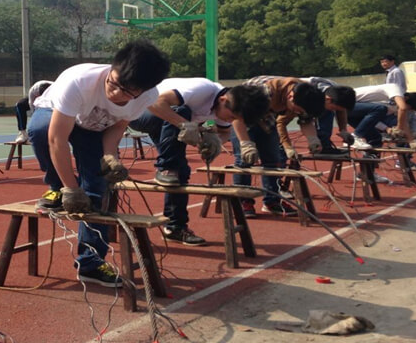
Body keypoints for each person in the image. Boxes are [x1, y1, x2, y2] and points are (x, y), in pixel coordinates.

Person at [28, 39, 170, 287]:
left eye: (127, 92)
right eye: (113, 84)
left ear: (142, 91)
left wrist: (109, 157)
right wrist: (69, 187)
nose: (116, 93)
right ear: (111, 68)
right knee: (39, 130)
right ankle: (54, 188)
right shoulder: (80, 81)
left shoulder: (147, 97)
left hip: (93, 128)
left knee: (96, 189)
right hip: (55, 115)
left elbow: (117, 126)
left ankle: (90, 263)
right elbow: (56, 139)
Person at [129, 79, 269, 245]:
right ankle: (166, 167)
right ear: (223, 100)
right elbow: (156, 104)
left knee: (181, 171)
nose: (230, 120)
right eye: (231, 117)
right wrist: (186, 125)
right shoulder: (201, 89)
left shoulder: (226, 106)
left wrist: (213, 143)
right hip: (139, 111)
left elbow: (223, 133)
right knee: (182, 111)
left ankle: (175, 227)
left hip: (168, 121)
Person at [233, 76, 325, 218]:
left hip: (267, 117)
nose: (298, 114)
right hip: (243, 116)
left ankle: (272, 201)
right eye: (298, 111)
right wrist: (246, 143)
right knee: (245, 160)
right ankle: (244, 201)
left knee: (273, 159)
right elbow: (237, 116)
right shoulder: (264, 91)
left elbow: (305, 120)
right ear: (290, 96)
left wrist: (313, 139)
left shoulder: (306, 94)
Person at [349, 84, 416, 150]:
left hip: (354, 113)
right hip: (345, 103)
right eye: (410, 108)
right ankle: (354, 137)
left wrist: (412, 141)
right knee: (380, 109)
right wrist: (399, 128)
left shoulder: (392, 108)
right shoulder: (396, 89)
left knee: (376, 138)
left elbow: (371, 120)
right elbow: (403, 109)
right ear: (407, 98)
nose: (408, 110)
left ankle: (369, 167)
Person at [299, 77, 356, 154]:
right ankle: (323, 146)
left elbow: (341, 110)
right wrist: (312, 139)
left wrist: (343, 130)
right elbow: (304, 120)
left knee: (328, 110)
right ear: (328, 99)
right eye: (334, 108)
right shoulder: (310, 92)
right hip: (293, 97)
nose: (333, 110)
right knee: (325, 112)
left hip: (318, 97)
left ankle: (325, 145)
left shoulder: (336, 91)